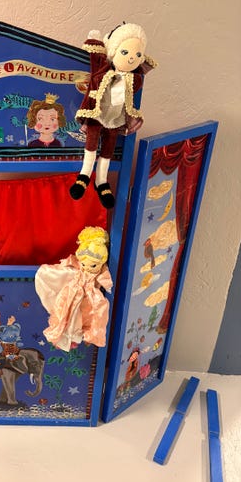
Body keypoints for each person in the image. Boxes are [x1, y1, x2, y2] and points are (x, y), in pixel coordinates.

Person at [69, 23, 157, 208]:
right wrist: (95, 40)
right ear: (114, 51)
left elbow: (135, 86)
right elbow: (96, 57)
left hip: (116, 119)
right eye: (125, 53)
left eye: (137, 55)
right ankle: (84, 175)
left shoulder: (134, 78)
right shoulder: (103, 71)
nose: (132, 58)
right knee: (91, 145)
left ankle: (101, 181)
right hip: (97, 114)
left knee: (108, 150)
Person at [35, 226, 113, 351]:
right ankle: (66, 336)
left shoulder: (100, 271)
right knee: (66, 312)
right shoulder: (77, 267)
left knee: (95, 313)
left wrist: (107, 285)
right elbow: (70, 262)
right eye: (84, 263)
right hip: (73, 292)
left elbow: (106, 279)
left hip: (89, 296)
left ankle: (82, 336)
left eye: (93, 265)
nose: (87, 267)